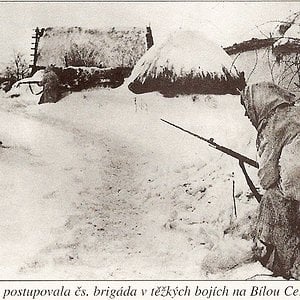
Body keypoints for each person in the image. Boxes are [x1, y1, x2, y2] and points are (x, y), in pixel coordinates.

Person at [241, 81, 300, 279]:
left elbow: (267, 178)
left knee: (272, 200)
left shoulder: (273, 124)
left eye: (247, 107)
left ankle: (287, 264)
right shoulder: (296, 113)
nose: (247, 115)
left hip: (296, 189)